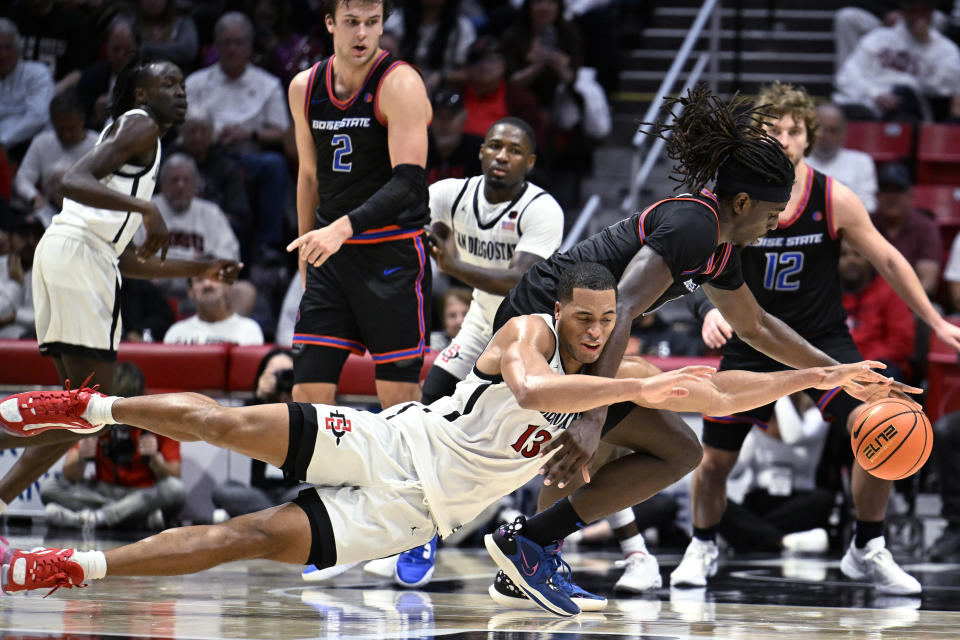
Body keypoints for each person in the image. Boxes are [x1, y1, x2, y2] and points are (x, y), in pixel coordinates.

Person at [0, 262, 887, 617]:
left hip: (416, 512)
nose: (593, 330)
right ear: (559, 313)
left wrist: (811, 376)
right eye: (583, 319)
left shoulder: (613, 379)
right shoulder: (528, 339)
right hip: (390, 443)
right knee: (232, 422)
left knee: (246, 540)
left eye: (605, 321)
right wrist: (635, 383)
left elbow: (721, 386)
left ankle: (67, 569)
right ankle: (89, 409)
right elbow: (538, 389)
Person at [480, 84, 917, 610]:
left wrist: (840, 373)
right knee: (593, 443)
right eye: (771, 212)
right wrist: (592, 417)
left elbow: (756, 325)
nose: (776, 223)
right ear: (741, 202)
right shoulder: (693, 224)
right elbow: (619, 305)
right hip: (549, 323)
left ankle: (529, 549)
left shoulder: (719, 245)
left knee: (682, 450)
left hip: (586, 338)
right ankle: (529, 547)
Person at [683, 81, 959, 595]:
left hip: (822, 339)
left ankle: (868, 548)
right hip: (752, 339)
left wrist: (936, 321)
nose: (784, 139)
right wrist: (705, 309)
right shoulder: (731, 194)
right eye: (773, 129)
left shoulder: (832, 195)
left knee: (880, 424)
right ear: (755, 135)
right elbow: (695, 258)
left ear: (809, 138)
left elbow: (889, 260)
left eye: (794, 130)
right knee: (715, 458)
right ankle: (702, 544)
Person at [0, 57, 241, 523]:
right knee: (87, 409)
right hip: (79, 256)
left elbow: (128, 259)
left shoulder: (137, 138)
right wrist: (146, 210)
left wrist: (204, 265)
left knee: (76, 413)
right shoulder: (140, 124)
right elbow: (72, 181)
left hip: (79, 255)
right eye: (167, 83)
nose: (180, 90)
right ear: (141, 95)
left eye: (182, 83)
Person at [285, 0, 433, 409]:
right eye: (352, 23)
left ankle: (403, 475)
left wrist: (341, 228)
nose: (362, 34)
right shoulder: (305, 86)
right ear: (330, 23)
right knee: (307, 390)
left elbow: (409, 184)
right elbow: (310, 176)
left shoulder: (400, 83)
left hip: (392, 255)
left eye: (373, 23)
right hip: (332, 258)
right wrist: (305, 248)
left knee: (398, 397)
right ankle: (319, 476)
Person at [185, 12, 290, 258]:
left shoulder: (269, 84)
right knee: (175, 161)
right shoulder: (196, 83)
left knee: (275, 165)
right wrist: (210, 135)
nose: (232, 49)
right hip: (206, 155)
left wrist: (250, 134)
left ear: (249, 46)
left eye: (238, 42)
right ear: (216, 47)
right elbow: (182, 125)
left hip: (248, 156)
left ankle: (269, 245)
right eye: (226, 43)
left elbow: (282, 132)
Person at [40, 362, 185, 532]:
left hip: (142, 492)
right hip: (103, 490)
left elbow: (174, 476)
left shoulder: (157, 420)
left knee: (175, 490)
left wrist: (155, 459)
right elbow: (70, 475)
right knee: (49, 487)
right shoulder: (96, 416)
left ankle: (93, 518)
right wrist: (82, 457)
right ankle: (134, 518)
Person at [210, 348, 306, 524]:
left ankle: (268, 520)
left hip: (295, 491)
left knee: (311, 493)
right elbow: (236, 433)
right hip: (259, 494)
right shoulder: (253, 409)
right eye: (276, 374)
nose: (282, 379)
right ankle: (280, 520)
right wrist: (260, 397)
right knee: (224, 490)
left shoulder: (308, 411)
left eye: (288, 374)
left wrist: (296, 397)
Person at [833, 0, 960, 122]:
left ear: (931, 12)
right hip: (868, 103)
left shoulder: (944, 48)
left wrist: (927, 45)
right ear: (903, 11)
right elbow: (847, 75)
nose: (917, 17)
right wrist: (875, 94)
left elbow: (944, 87)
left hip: (909, 109)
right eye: (912, 11)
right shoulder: (878, 38)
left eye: (923, 11)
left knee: (904, 95)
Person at [839, 240, 916, 382]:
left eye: (857, 255)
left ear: (870, 259)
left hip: (880, 369)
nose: (851, 260)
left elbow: (902, 342)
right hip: (838, 368)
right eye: (843, 255)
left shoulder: (889, 291)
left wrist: (864, 366)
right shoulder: (828, 294)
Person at [13, 91, 98, 218]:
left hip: (88, 212)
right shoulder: (42, 142)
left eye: (71, 128)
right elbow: (23, 178)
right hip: (48, 211)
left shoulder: (99, 145)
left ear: (82, 120)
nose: (66, 135)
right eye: (60, 129)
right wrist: (34, 196)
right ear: (52, 122)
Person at [870, 161, 942, 297]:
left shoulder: (926, 227)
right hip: (869, 303)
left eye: (898, 190)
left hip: (912, 303)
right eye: (886, 190)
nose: (891, 197)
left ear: (910, 195)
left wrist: (896, 305)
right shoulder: (866, 223)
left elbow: (928, 281)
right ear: (877, 195)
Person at [804, 103, 878, 213]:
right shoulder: (795, 161)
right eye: (821, 129)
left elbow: (869, 205)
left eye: (833, 130)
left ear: (843, 133)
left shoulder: (862, 162)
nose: (826, 136)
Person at [0, 18, 55, 162]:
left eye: (8, 47)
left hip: (31, 147)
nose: (2, 55)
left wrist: (4, 141)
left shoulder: (37, 73)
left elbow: (38, 118)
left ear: (18, 48)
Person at [163, 276, 264, 346]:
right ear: (190, 291)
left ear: (227, 286)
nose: (207, 284)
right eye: (199, 280)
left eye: (214, 277)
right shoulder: (176, 332)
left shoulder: (249, 330)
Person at [0, 212, 44, 339]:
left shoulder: (49, 274)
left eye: (36, 237)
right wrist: (16, 284)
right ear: (10, 238)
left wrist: (15, 316)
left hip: (33, 347)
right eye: (24, 235)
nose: (30, 242)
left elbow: (51, 320)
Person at [430, 287, 471, 351]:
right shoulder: (433, 343)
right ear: (443, 320)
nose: (459, 321)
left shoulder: (487, 345)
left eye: (465, 314)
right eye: (452, 315)